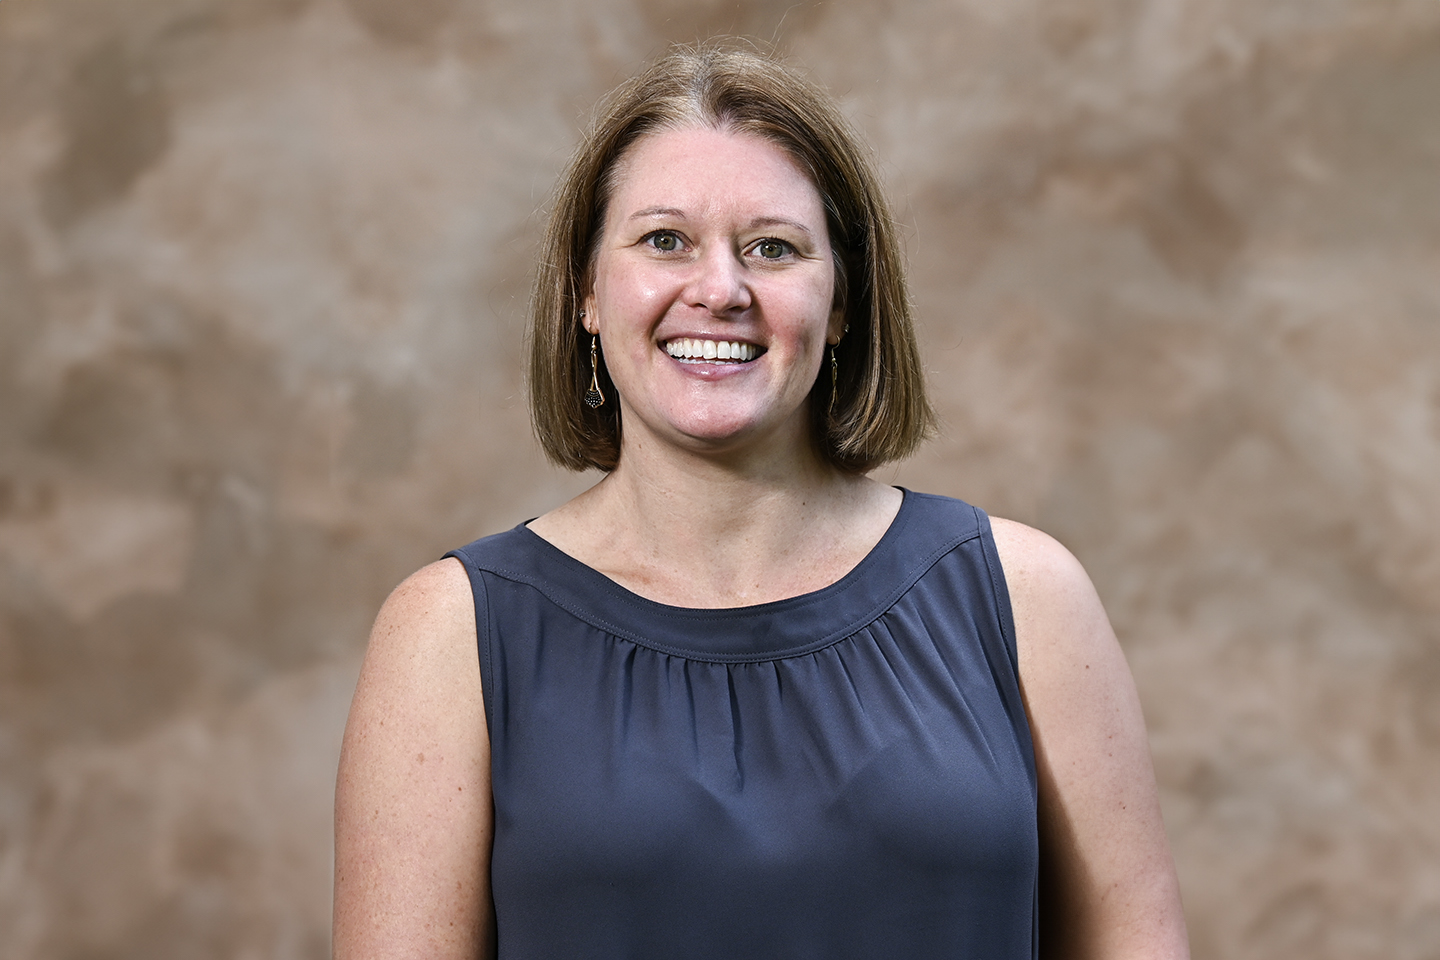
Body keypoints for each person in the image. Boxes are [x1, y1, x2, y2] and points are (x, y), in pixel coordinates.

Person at [334, 42, 1189, 959]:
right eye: (665, 241)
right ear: (586, 290)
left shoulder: (1025, 598)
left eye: (772, 248)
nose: (720, 290)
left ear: (845, 300)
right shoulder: (449, 632)